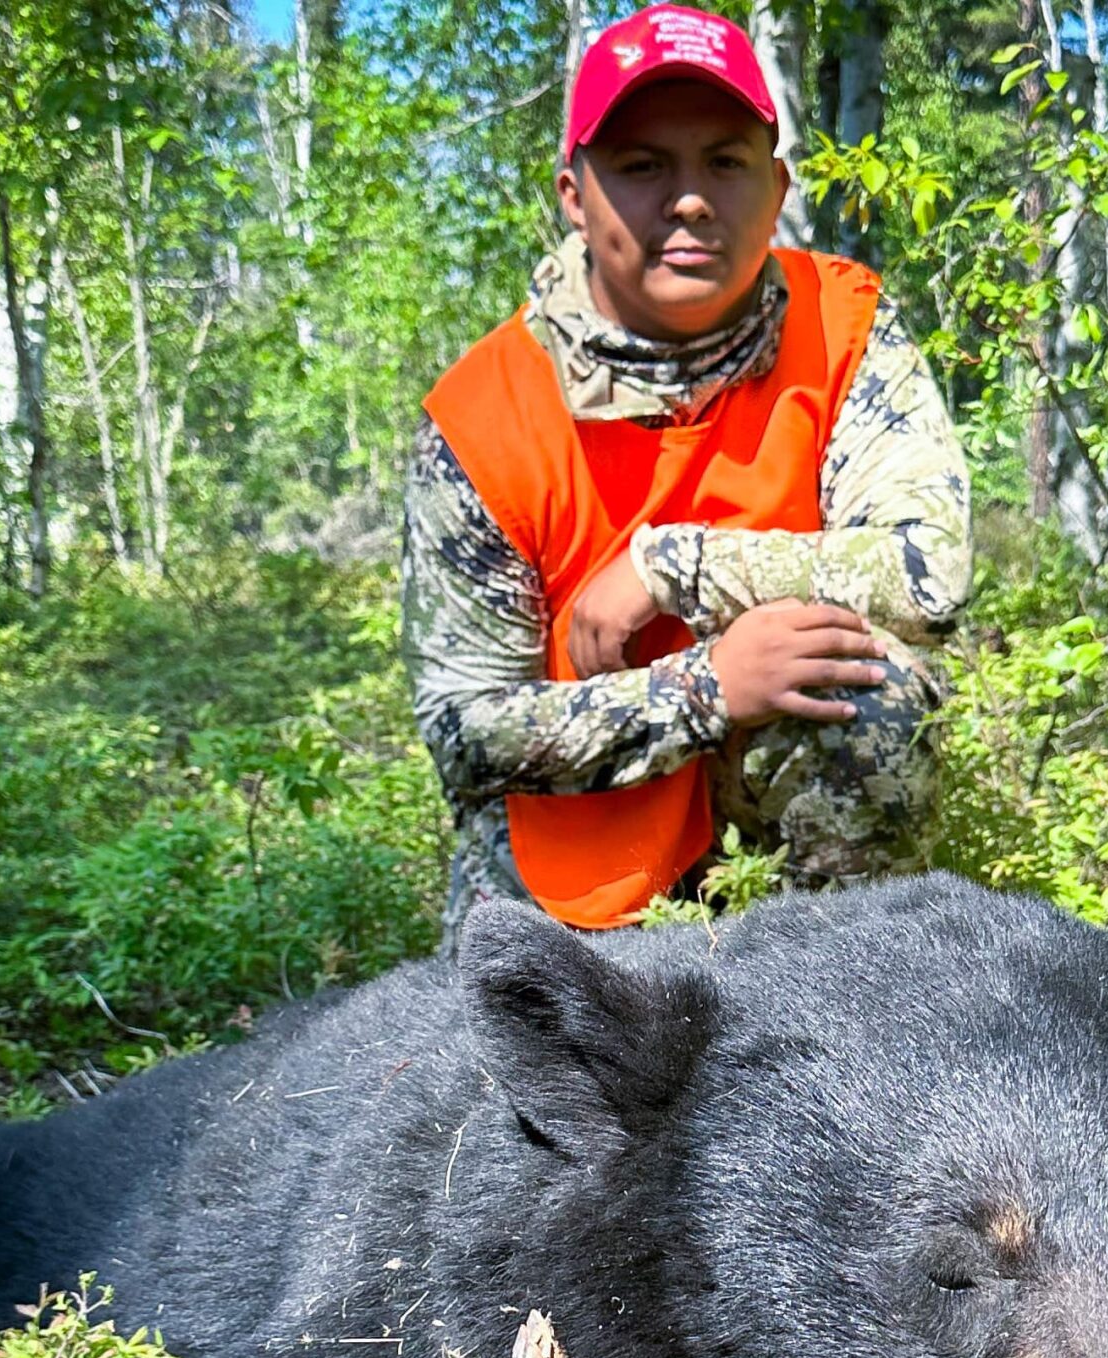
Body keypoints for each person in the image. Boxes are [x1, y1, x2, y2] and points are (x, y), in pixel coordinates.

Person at [403, 2, 973, 941]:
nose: (692, 199)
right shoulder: (484, 416)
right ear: (574, 195)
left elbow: (926, 574)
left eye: (725, 161)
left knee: (867, 689)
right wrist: (709, 685)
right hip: (575, 855)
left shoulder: (846, 328)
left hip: (775, 817)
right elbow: (467, 733)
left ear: (777, 183)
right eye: (641, 166)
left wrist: (678, 566)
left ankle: (833, 1022)